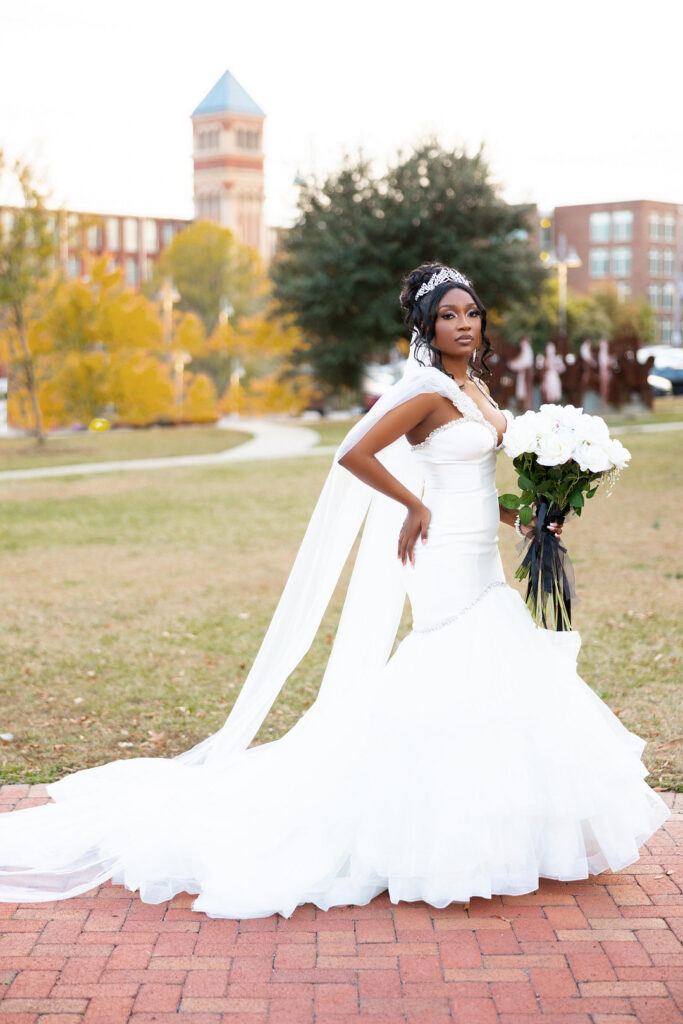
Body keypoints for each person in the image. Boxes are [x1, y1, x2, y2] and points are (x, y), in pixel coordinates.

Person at [0, 263, 669, 919]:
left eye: (470, 313)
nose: (462, 324)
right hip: (437, 552)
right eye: (447, 315)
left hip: (480, 549)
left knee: (492, 667)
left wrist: (524, 514)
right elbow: (352, 451)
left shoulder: (479, 393)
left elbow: (469, 480)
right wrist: (411, 506)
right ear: (425, 326)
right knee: (450, 666)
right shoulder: (427, 389)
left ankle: (490, 829)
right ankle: (423, 830)